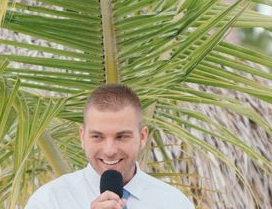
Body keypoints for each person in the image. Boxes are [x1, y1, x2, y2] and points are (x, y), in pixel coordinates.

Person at [25, 84, 194, 209]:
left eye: (121, 137)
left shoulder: (174, 203)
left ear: (142, 137)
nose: (109, 150)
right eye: (97, 136)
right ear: (83, 137)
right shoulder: (48, 201)